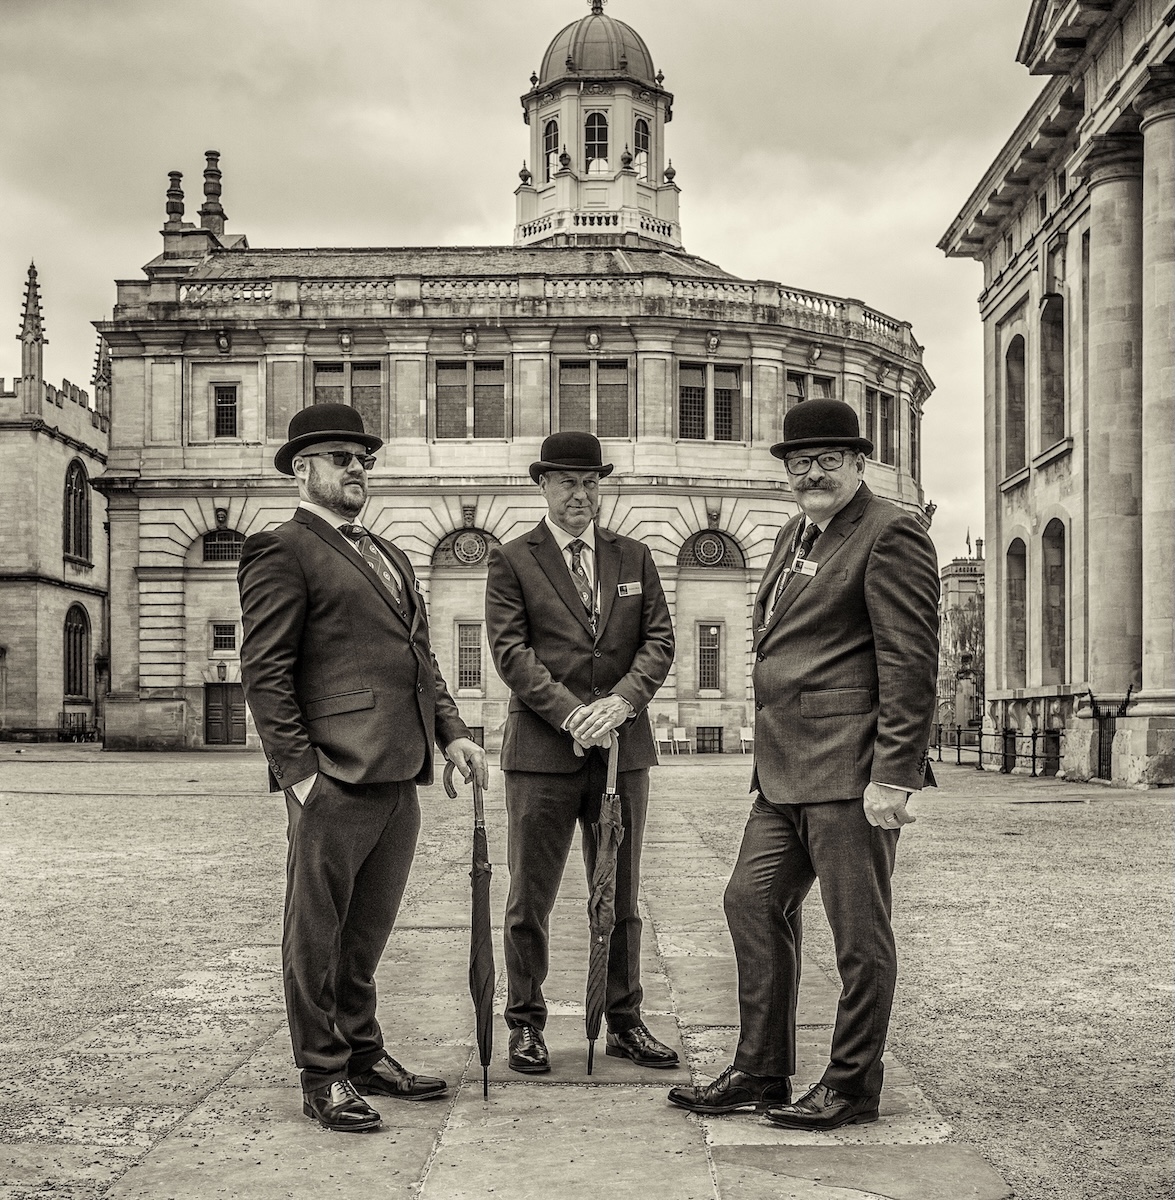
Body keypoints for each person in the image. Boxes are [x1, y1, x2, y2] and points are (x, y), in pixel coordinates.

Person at [668, 398, 939, 1129]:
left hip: (849, 767)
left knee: (858, 936)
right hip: (784, 768)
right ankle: (760, 1070)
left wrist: (894, 772)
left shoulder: (891, 532)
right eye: (797, 462)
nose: (810, 472)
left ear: (857, 462)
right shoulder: (796, 530)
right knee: (750, 900)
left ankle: (851, 1085)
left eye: (825, 459)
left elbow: (909, 661)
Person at [238, 403, 487, 1133]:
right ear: (302, 468)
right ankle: (321, 1075)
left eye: (364, 459)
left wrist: (454, 735)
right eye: (341, 457)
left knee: (366, 932)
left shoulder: (388, 550)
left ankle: (361, 1052)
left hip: (397, 769)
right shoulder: (280, 548)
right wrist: (301, 775)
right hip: (335, 775)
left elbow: (420, 663)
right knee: (315, 933)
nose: (356, 469)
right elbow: (266, 670)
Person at [485, 432, 676, 1074]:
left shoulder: (635, 556)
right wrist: (572, 714)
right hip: (543, 752)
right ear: (542, 485)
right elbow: (512, 653)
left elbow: (659, 642)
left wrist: (621, 704)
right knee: (529, 897)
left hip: (623, 752)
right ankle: (526, 1023)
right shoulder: (513, 559)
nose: (580, 493)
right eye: (567, 481)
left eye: (591, 481)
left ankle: (624, 1019)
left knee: (620, 894)